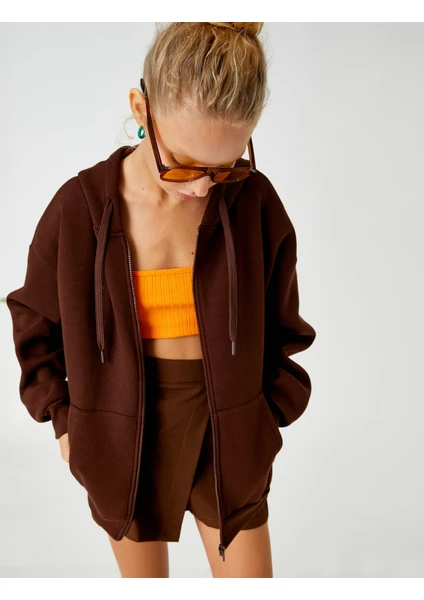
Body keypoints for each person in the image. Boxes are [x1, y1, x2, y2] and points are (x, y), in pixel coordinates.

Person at [6, 22, 316, 578]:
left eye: (225, 167)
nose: (202, 187)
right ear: (141, 110)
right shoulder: (80, 210)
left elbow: (285, 324)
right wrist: (65, 421)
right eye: (185, 164)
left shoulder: (254, 203)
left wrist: (265, 417)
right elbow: (34, 318)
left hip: (230, 435)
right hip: (122, 436)